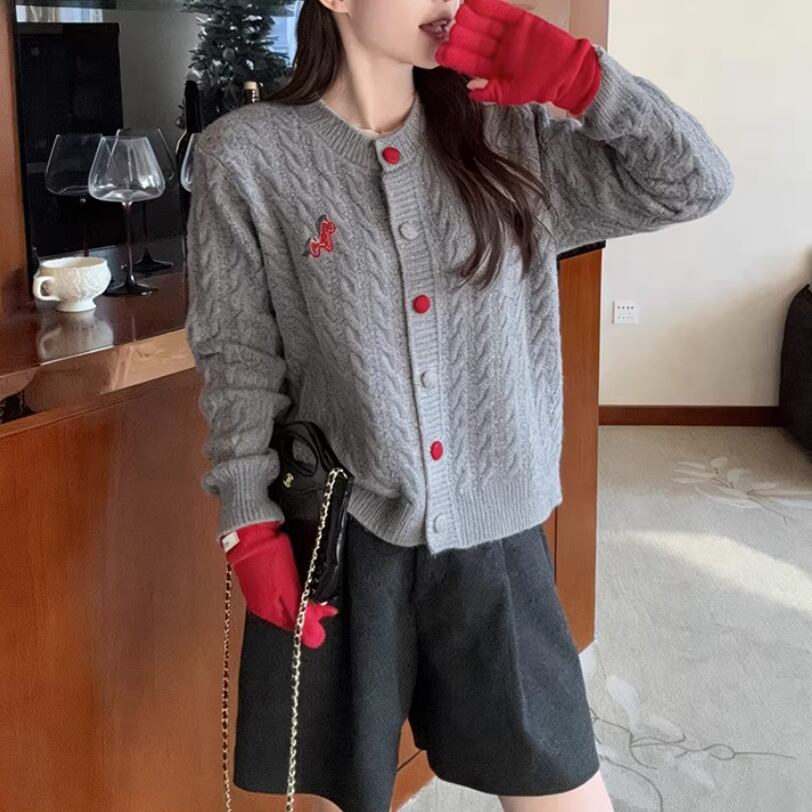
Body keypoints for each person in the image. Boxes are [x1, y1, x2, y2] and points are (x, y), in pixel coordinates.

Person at [183, 0, 735, 809]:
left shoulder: (507, 135)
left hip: (497, 540)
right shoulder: (248, 156)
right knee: (347, 793)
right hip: (345, 539)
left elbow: (695, 184)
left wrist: (587, 82)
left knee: (566, 790)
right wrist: (248, 521)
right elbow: (237, 355)